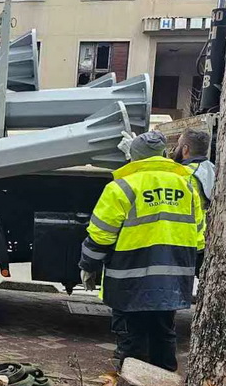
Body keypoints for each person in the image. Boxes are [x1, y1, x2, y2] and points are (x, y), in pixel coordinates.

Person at [79, 130, 205, 372]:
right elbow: (199, 234)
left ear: (133, 157)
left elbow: (101, 235)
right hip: (171, 279)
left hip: (129, 279)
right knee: (164, 336)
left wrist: (88, 265)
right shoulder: (187, 185)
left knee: (131, 342)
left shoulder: (121, 187)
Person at [172, 128, 216, 209]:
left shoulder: (183, 174)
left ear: (185, 149)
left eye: (178, 145)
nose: (176, 149)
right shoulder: (213, 169)